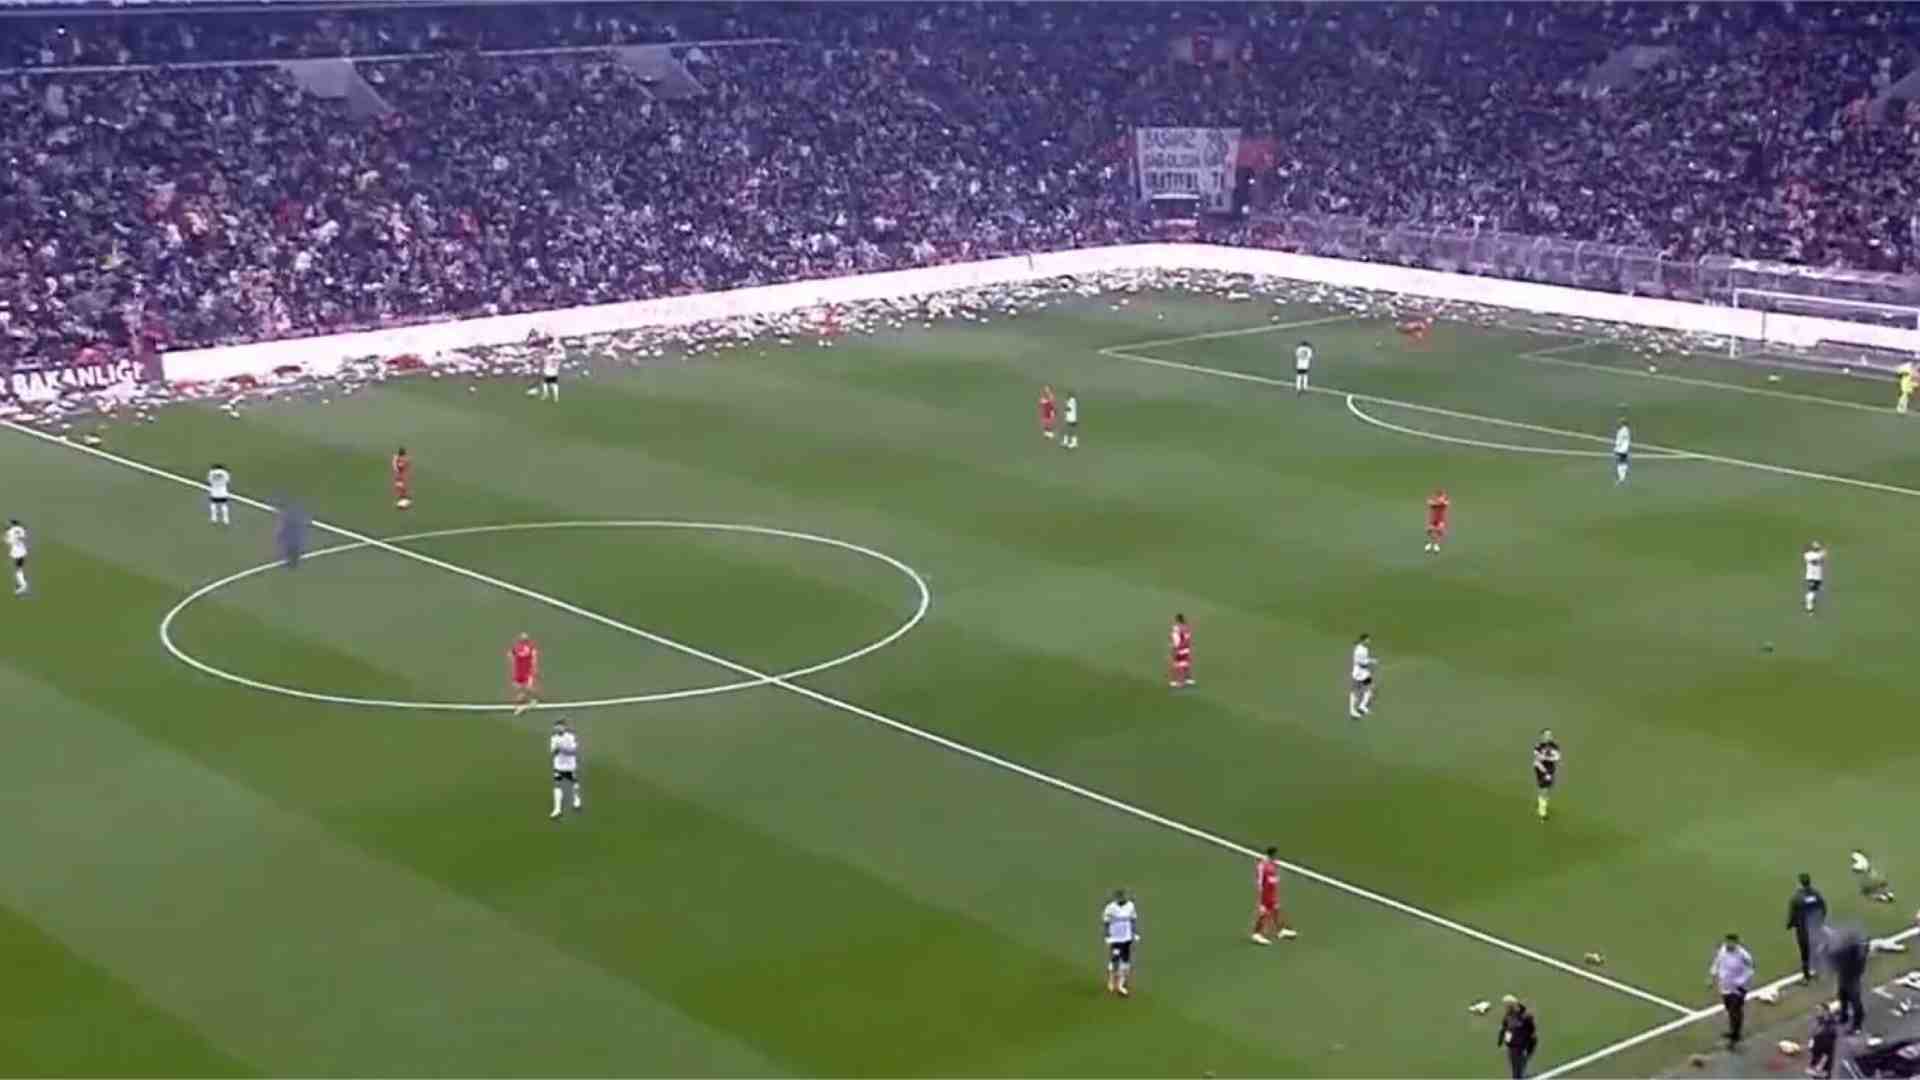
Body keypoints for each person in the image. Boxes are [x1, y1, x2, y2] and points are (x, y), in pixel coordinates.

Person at [1708, 932, 1755, 1048]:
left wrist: (1740, 983)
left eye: (1731, 943)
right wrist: (1712, 976)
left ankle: (1735, 1036)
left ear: (1736, 943)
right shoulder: (1723, 950)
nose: (1729, 945)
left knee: (1735, 1010)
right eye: (1727, 942)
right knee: (1729, 1009)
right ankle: (1733, 1031)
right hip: (1725, 986)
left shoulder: (1744, 955)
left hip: (1738, 988)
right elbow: (1717, 963)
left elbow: (1750, 970)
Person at [1250, 846, 1297, 945]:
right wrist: (1262, 893)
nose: (1276, 856)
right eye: (1275, 855)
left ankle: (1280, 930)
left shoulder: (1273, 863)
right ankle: (1256, 934)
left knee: (1276, 909)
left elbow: (1273, 877)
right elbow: (1260, 880)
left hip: (1272, 891)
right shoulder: (1262, 865)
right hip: (1265, 893)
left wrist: (1275, 882)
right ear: (1271, 854)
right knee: (1264, 912)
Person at [1827, 925, 1868, 1034]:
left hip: (1851, 978)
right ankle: (1844, 1015)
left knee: (1855, 1000)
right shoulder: (1849, 952)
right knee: (1843, 996)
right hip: (1845, 976)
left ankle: (1857, 1024)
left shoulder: (1855, 956)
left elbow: (1836, 961)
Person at [1787, 872, 1828, 981]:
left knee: (1804, 952)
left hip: (1803, 930)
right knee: (1815, 949)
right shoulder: (1816, 894)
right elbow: (1823, 908)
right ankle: (1818, 971)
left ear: (1800, 883)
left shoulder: (1796, 897)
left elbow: (1793, 914)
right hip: (1815, 928)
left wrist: (1790, 924)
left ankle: (1806, 976)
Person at [1102, 888, 1138, 996]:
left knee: (1125, 959)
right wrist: (1107, 935)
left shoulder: (1130, 906)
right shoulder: (1110, 907)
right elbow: (1106, 922)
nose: (1122, 899)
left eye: (1123, 897)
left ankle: (1121, 983)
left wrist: (1134, 932)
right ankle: (1111, 980)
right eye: (1120, 897)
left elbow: (1133, 919)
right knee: (1115, 957)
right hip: (1115, 938)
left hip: (1126, 937)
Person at [1498, 995, 1537, 1078]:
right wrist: (1503, 1042)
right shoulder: (1508, 1017)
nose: (1505, 1008)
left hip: (1522, 1048)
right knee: (1516, 1072)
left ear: (1511, 1006)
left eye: (1506, 1006)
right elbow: (1506, 1030)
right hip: (1513, 1049)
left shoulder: (1525, 1017)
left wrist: (1529, 1049)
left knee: (1519, 1071)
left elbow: (1532, 1034)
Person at [549, 718, 581, 819]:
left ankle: (576, 799)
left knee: (574, 782)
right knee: (557, 784)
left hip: (570, 765)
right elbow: (553, 752)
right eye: (556, 727)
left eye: (560, 726)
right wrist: (555, 750)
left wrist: (562, 748)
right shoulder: (553, 738)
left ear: (564, 727)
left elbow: (573, 751)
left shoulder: (571, 737)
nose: (558, 728)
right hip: (558, 765)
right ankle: (557, 809)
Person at [1806, 1001, 1841, 1079]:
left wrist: (1820, 1065)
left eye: (1818, 1010)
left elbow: (1827, 1050)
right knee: (1816, 1076)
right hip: (1816, 1055)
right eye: (1816, 1010)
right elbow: (1813, 1036)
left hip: (1822, 1060)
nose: (1816, 1012)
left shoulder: (1830, 1028)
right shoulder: (1820, 1021)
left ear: (1826, 1011)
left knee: (1822, 1075)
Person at [1532, 729, 1561, 821]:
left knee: (1546, 788)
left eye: (1550, 735)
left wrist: (1546, 757)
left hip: (1550, 769)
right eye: (1546, 735)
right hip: (1541, 768)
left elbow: (1557, 758)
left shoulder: (1555, 746)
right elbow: (1538, 758)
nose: (1549, 736)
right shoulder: (1538, 746)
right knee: (1544, 789)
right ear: (1542, 736)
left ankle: (1541, 801)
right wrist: (1545, 771)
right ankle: (1542, 812)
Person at [509, 632, 540, 716]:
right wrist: (513, 664)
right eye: (522, 639)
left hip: (528, 672)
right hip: (519, 672)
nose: (523, 640)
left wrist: (534, 668)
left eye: (525, 639)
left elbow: (534, 658)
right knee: (520, 689)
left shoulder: (531, 648)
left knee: (528, 687)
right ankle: (520, 706)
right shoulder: (516, 648)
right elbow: (510, 655)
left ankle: (534, 700)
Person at [1348, 633, 1376, 720]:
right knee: (1355, 692)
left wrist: (1370, 662)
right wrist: (1371, 661)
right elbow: (1361, 663)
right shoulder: (1359, 650)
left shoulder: (1365, 649)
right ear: (1363, 640)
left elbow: (1364, 661)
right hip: (1358, 674)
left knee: (1369, 688)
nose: (1369, 641)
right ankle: (1352, 711)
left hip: (1365, 673)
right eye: (1368, 639)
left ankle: (1362, 706)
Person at [1169, 614, 1194, 688]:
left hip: (1180, 649)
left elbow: (1176, 640)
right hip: (1185, 648)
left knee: (1179, 665)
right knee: (1185, 664)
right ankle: (1188, 679)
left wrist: (1175, 648)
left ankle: (1180, 682)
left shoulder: (1177, 628)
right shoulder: (1186, 627)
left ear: (1177, 620)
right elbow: (1187, 639)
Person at [1803, 542, 1826, 615]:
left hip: (1809, 576)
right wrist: (1820, 548)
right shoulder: (1820, 555)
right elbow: (1823, 552)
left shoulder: (1807, 555)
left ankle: (1811, 598)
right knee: (1812, 591)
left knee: (1815, 589)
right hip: (1817, 576)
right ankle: (1809, 608)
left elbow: (1805, 552)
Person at [6, 518, 27, 596]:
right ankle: (20, 584)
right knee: (19, 568)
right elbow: (23, 536)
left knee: (18, 569)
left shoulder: (9, 531)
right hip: (22, 550)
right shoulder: (20, 529)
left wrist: (6, 538)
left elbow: (9, 541)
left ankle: (23, 585)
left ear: (12, 524)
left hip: (16, 552)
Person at [1425, 489, 1449, 553]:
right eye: (1440, 496)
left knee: (1439, 531)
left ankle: (1435, 545)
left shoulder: (1445, 501)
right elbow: (1429, 503)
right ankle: (1431, 543)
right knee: (1429, 531)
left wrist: (1440, 502)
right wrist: (1438, 502)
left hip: (1441, 519)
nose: (1441, 497)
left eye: (1442, 496)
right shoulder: (1433, 500)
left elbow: (1446, 503)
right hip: (1433, 518)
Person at [1613, 417, 1631, 485]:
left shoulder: (1622, 431)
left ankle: (1621, 479)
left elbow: (1619, 440)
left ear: (1622, 423)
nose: (1618, 423)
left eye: (1620, 422)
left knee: (1620, 463)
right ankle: (1622, 477)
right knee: (1623, 462)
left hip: (1621, 449)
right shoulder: (1626, 430)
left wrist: (1616, 449)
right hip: (1625, 449)